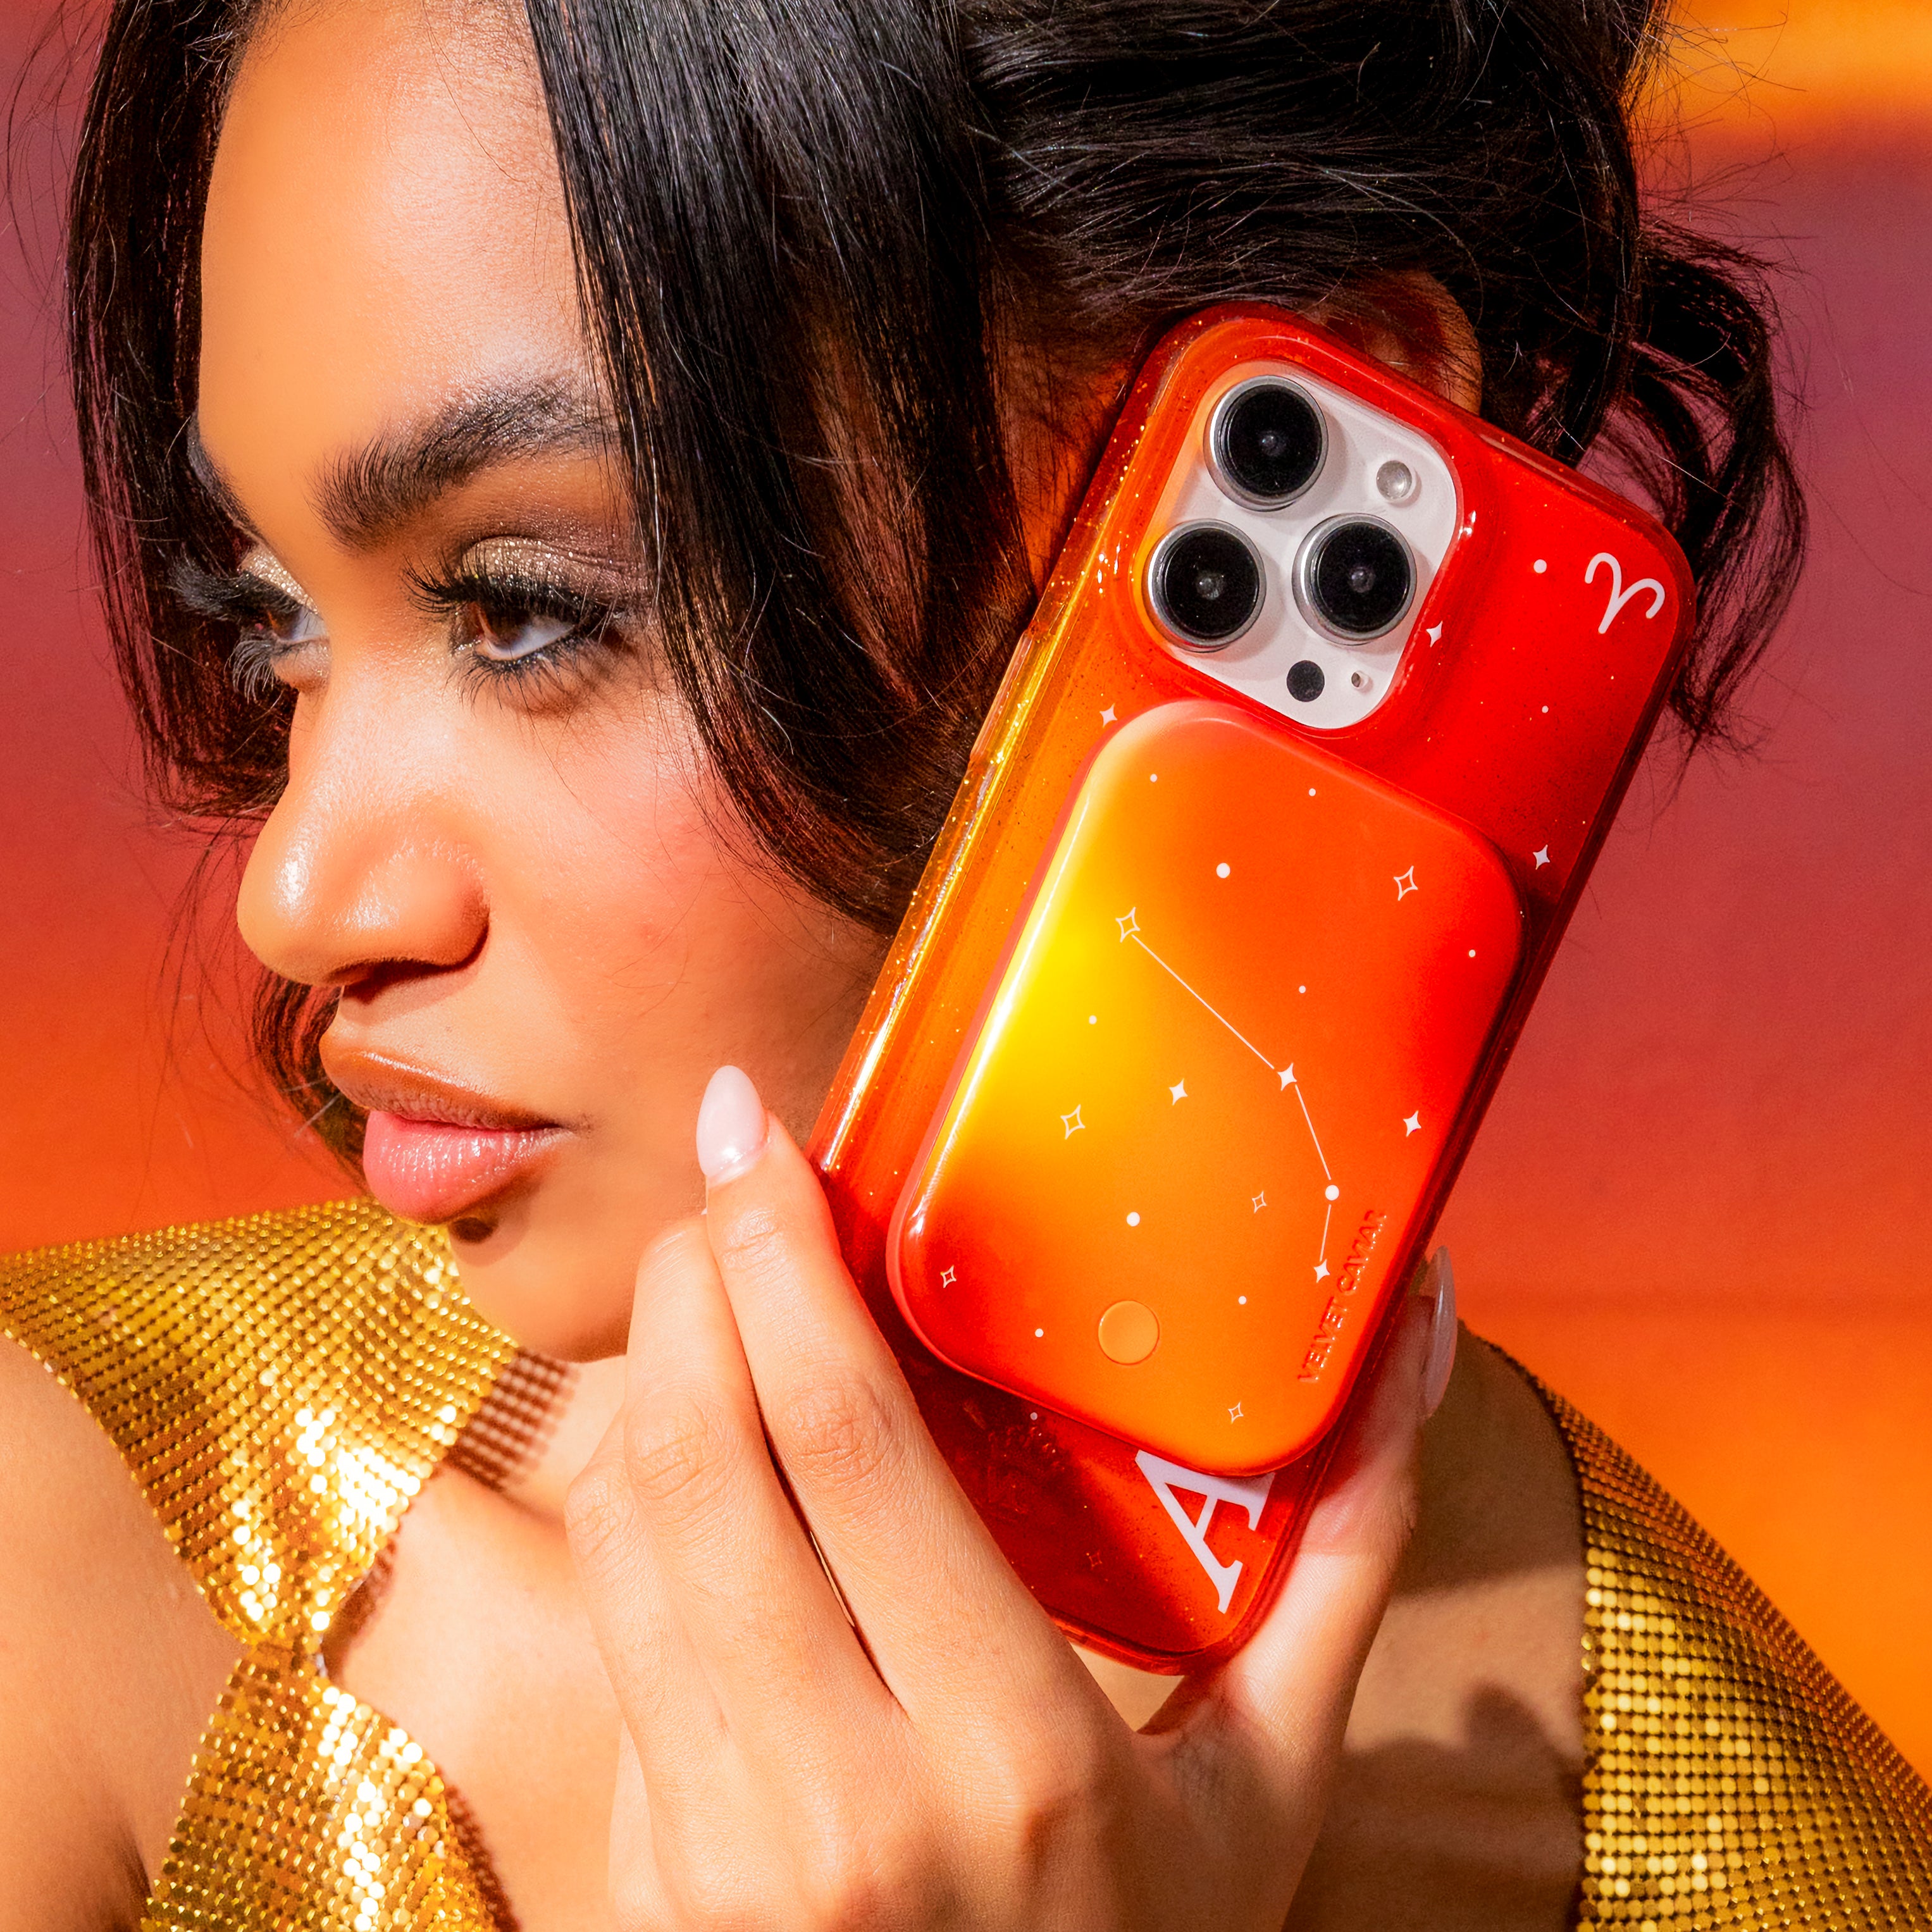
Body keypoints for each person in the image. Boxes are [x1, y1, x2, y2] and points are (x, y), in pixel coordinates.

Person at [2, 0, 1926, 1924]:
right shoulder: (91, 1548)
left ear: (1353, 417)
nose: (294, 898)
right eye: (275, 620)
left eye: (525, 610)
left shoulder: (1785, 1877)